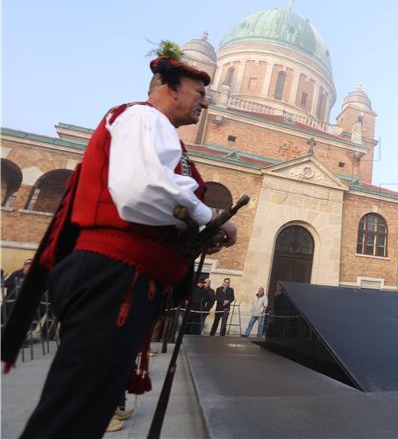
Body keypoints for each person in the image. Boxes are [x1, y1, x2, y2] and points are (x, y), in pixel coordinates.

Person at [17, 48, 238, 439]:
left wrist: (197, 235)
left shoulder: (159, 130)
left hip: (125, 276)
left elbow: (157, 205)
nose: (205, 101)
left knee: (88, 405)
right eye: (198, 91)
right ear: (169, 88)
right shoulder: (142, 117)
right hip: (113, 275)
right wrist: (207, 217)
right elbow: (139, 192)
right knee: (74, 410)